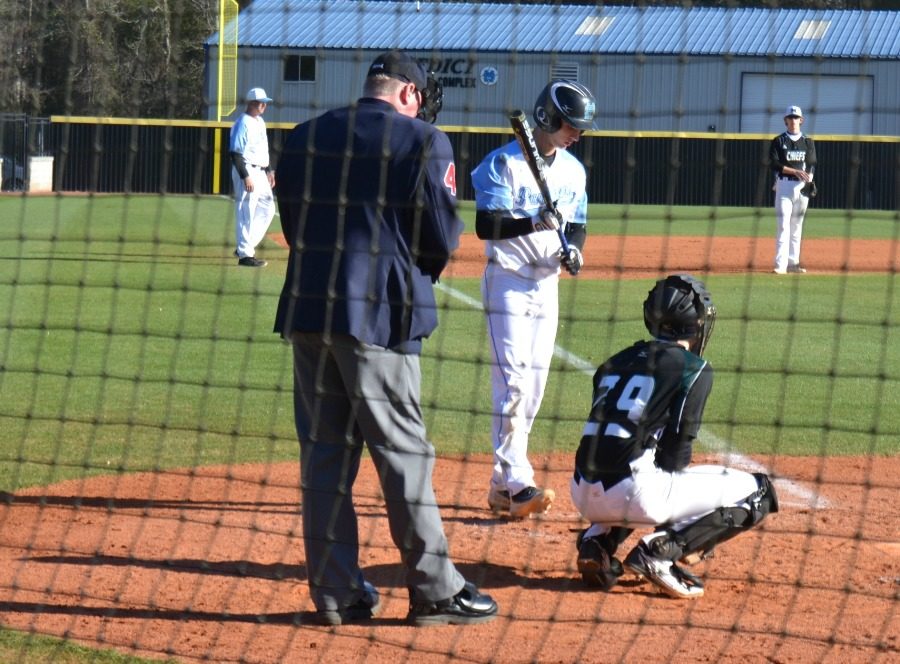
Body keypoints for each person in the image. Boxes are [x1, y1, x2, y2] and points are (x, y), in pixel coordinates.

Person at [274, 50, 498, 627]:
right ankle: (436, 591)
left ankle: (337, 596)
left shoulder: (302, 137)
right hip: (379, 318)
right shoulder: (423, 140)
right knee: (404, 458)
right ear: (408, 95)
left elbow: (294, 228)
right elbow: (439, 240)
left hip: (306, 312)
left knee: (324, 458)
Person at [570, 274, 779, 599]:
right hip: (636, 494)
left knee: (635, 464)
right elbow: (675, 455)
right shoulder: (692, 368)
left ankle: (597, 541)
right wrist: (698, 532)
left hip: (581, 491)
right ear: (693, 323)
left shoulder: (613, 363)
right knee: (760, 493)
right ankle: (660, 552)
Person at [470, 79, 595, 519]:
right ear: (546, 117)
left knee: (535, 387)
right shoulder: (502, 163)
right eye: (570, 125)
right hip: (507, 280)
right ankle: (519, 481)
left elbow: (576, 223)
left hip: (547, 285)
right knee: (514, 382)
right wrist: (534, 223)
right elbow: (487, 226)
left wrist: (575, 248)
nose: (576, 134)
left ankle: (502, 488)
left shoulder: (573, 171)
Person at [230, 87, 276, 267]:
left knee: (267, 208)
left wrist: (269, 170)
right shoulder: (243, 123)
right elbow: (235, 153)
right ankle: (245, 256)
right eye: (260, 102)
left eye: (265, 102)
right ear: (251, 103)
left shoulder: (260, 121)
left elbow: (263, 149)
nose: (264, 105)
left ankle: (245, 246)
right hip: (247, 169)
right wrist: (245, 176)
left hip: (261, 171)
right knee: (246, 211)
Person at [769, 105, 817, 275]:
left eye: (796, 117)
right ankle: (780, 265)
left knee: (796, 227)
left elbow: (811, 163)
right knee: (783, 226)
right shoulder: (779, 141)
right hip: (784, 185)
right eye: (790, 117)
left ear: (801, 120)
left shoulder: (808, 142)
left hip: (802, 188)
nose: (793, 120)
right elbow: (774, 164)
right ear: (785, 121)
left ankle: (793, 263)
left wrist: (810, 179)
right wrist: (795, 171)